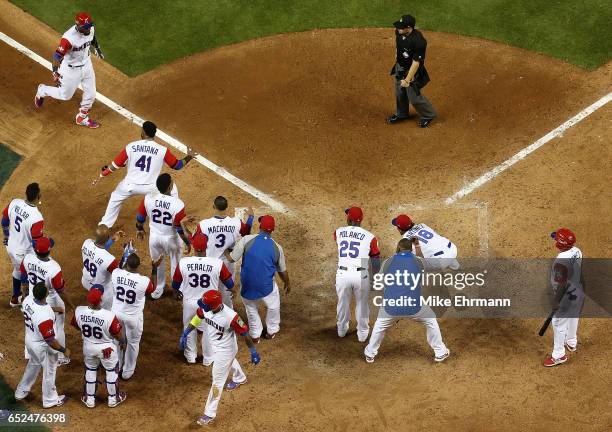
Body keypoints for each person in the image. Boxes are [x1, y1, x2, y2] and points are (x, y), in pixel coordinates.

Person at [179, 290, 260, 426]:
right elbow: (198, 317)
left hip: (226, 351)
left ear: (215, 306)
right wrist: (186, 333)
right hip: (216, 346)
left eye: (205, 305)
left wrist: (253, 352)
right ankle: (240, 378)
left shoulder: (231, 317)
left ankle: (209, 413)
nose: (203, 307)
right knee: (229, 362)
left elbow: (245, 334)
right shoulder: (206, 307)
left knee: (217, 382)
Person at [94, 121, 196, 227]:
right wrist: (189, 156)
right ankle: (175, 215)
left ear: (143, 133)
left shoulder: (131, 146)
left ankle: (104, 225)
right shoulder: (162, 150)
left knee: (115, 197)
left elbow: (115, 165)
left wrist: (104, 174)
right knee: (172, 187)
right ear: (153, 134)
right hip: (152, 188)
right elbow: (177, 165)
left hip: (129, 186)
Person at [364, 239, 450, 363]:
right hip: (414, 306)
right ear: (411, 250)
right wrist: (418, 247)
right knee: (431, 321)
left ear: (398, 249)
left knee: (379, 326)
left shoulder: (388, 262)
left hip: (391, 307)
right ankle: (440, 352)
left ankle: (370, 354)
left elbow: (379, 286)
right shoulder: (419, 261)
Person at [224, 215, 290, 342]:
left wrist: (226, 251)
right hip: (266, 288)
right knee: (273, 306)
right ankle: (271, 331)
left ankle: (255, 335)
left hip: (248, 287)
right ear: (272, 230)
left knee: (251, 309)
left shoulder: (246, 240)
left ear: (260, 227)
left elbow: (232, 258)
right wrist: (287, 282)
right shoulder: (277, 247)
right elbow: (282, 270)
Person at [172, 234, 235, 365]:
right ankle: (208, 358)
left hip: (189, 302)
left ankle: (190, 356)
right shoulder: (217, 263)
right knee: (208, 330)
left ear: (194, 247)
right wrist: (233, 289)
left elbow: (175, 284)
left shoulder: (184, 262)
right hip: (209, 304)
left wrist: (176, 291)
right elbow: (229, 283)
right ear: (206, 247)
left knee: (189, 327)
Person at [34, 12, 104, 128]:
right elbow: (57, 56)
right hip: (71, 70)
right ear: (79, 27)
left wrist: (97, 48)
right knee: (65, 95)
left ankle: (82, 117)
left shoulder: (90, 28)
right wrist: (55, 72)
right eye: (85, 28)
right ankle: (42, 90)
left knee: (91, 94)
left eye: (89, 26)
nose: (88, 29)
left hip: (87, 65)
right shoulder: (68, 38)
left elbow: (92, 38)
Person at [187, 196, 254, 306]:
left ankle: (209, 312)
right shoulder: (236, 222)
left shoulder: (204, 224)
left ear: (213, 206)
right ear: (227, 207)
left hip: (210, 263)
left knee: (210, 288)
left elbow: (196, 242)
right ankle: (228, 312)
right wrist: (251, 217)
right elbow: (246, 232)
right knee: (227, 291)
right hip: (228, 262)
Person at [136, 173, 191, 299]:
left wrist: (139, 229)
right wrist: (188, 243)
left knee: (157, 264)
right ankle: (177, 290)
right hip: (172, 240)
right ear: (170, 187)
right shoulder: (178, 204)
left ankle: (157, 290)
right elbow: (179, 227)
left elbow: (140, 218)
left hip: (154, 238)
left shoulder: (148, 198)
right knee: (176, 265)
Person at [15, 283, 70, 408]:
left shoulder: (28, 300)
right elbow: (50, 340)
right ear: (46, 294)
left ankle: (21, 391)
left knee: (33, 364)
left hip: (30, 341)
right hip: (42, 346)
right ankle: (50, 400)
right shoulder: (44, 316)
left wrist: (54, 309)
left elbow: (39, 307)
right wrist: (63, 350)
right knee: (50, 370)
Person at [20, 237, 72, 365]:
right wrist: (70, 305)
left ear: (35, 250)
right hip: (50, 298)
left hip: (33, 294)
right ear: (49, 251)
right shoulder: (54, 268)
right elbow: (60, 290)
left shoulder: (27, 258)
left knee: (31, 322)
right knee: (58, 327)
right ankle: (61, 357)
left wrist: (25, 294)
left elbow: (23, 278)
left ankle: (29, 352)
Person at [71, 287, 127, 408]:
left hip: (88, 347)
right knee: (111, 371)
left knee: (90, 369)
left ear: (88, 300)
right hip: (106, 349)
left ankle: (89, 399)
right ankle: (113, 398)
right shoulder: (109, 316)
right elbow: (117, 334)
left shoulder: (79, 311)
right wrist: (123, 342)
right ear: (101, 300)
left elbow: (76, 326)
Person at [110, 253, 161, 380]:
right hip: (132, 318)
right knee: (133, 343)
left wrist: (125, 252)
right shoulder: (143, 281)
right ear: (138, 266)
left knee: (117, 340)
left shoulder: (116, 273)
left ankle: (117, 366)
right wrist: (154, 268)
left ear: (126, 264)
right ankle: (127, 372)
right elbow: (153, 288)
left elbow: (120, 265)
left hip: (116, 314)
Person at [334, 207, 380, 342]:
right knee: (362, 304)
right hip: (361, 276)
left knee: (342, 303)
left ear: (348, 219)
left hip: (343, 274)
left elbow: (339, 241)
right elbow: (375, 258)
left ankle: (341, 330)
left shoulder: (338, 232)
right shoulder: (371, 237)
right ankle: (362, 333)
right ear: (361, 220)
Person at [387, 14, 437, 128]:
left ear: (409, 28)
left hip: (412, 72)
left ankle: (428, 115)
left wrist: (408, 80)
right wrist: (397, 58)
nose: (398, 29)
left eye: (401, 27)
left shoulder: (419, 41)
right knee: (399, 92)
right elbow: (398, 46)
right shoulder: (398, 32)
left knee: (414, 97)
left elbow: (416, 63)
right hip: (400, 67)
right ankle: (401, 114)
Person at [543, 228, 584, 367]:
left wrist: (556, 300)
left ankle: (559, 355)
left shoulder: (561, 262)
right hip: (578, 291)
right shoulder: (577, 251)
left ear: (559, 244)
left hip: (565, 296)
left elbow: (562, 284)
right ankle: (571, 342)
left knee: (559, 323)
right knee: (573, 317)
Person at [3, 183, 45, 307]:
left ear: (25, 193)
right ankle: (28, 302)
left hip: (10, 246)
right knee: (29, 274)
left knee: (17, 270)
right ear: (39, 196)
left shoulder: (15, 202)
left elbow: (4, 221)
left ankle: (15, 299)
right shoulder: (36, 217)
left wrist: (6, 235)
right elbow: (36, 241)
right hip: (23, 252)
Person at [392, 214, 459, 271]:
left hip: (440, 261)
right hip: (452, 248)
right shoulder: (423, 225)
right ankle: (455, 266)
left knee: (417, 264)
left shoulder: (406, 241)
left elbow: (419, 259)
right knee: (437, 245)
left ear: (399, 229)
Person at [81, 225, 124, 309]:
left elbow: (98, 250)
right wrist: (127, 253)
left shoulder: (86, 243)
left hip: (85, 281)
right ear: (107, 237)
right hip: (101, 290)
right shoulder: (110, 260)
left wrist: (112, 240)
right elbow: (120, 273)